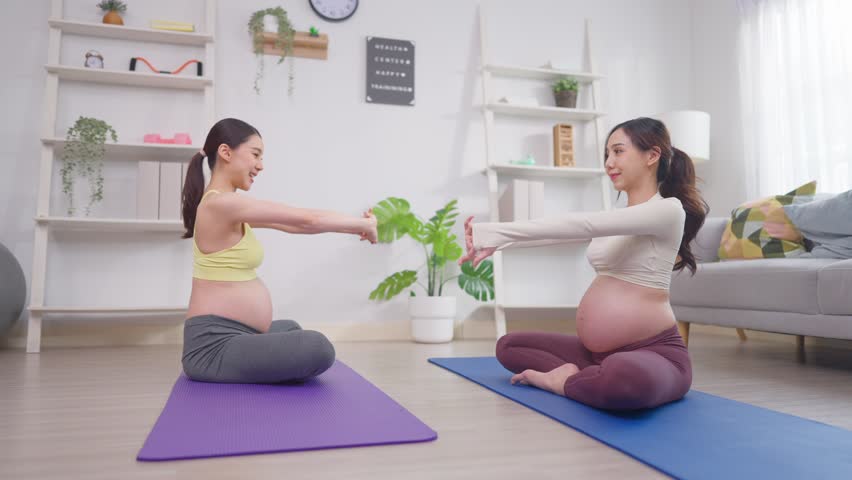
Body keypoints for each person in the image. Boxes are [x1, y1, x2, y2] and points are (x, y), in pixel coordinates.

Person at [460, 117, 708, 410]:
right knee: (509, 346)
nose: (608, 163)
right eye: (607, 154)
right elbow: (561, 236)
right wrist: (497, 242)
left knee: (624, 378)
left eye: (618, 151)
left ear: (652, 156)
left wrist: (492, 231)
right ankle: (590, 377)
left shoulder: (667, 210)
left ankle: (562, 382)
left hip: (655, 353)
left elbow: (581, 224)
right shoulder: (617, 216)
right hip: (594, 353)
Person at [180, 118, 377, 383]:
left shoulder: (227, 206)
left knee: (291, 329)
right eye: (255, 154)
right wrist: (366, 224)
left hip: (237, 333)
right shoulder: (221, 205)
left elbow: (298, 226)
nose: (260, 165)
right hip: (212, 347)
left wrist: (356, 229)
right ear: (226, 152)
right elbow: (306, 219)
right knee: (317, 347)